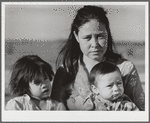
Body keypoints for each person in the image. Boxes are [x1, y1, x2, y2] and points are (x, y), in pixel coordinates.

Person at [51, 5, 145, 111]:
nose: (94, 44)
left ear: (107, 34)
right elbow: (55, 113)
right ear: (76, 36)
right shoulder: (67, 71)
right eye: (87, 37)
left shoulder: (125, 69)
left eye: (100, 36)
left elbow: (142, 112)